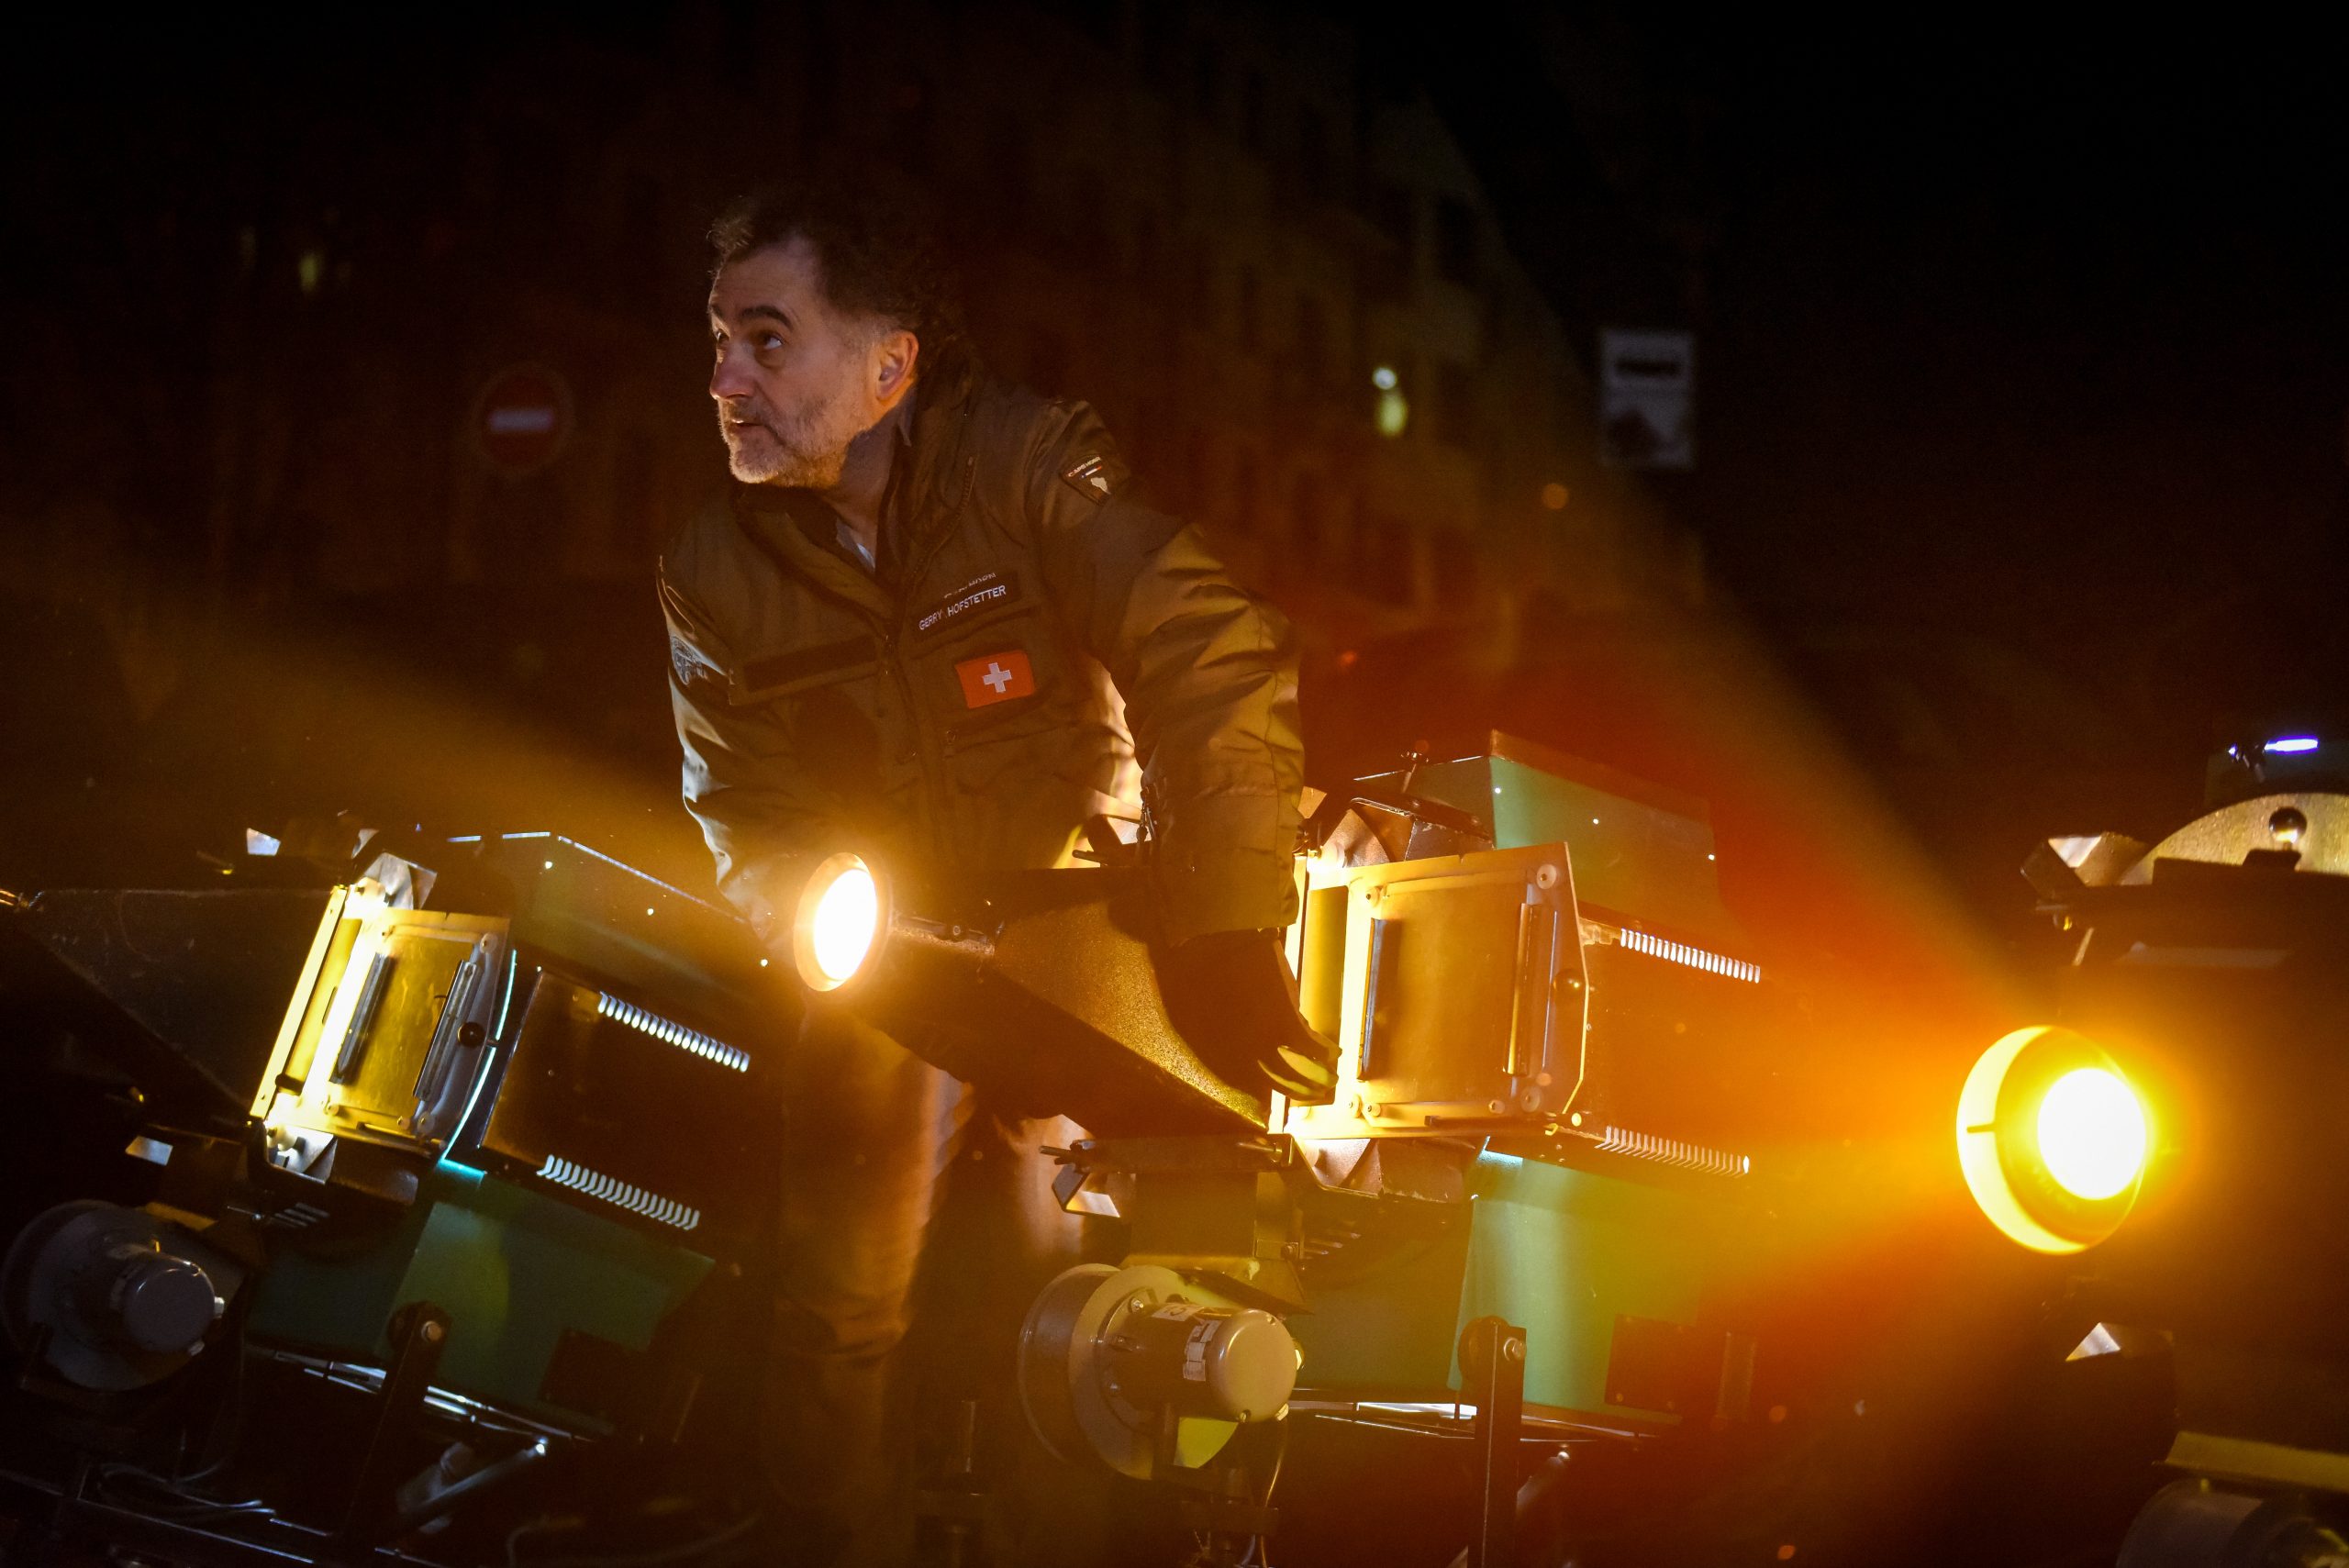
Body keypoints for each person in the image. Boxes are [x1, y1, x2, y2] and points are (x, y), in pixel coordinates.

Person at [657, 179, 1337, 1562]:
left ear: (889, 363)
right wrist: (815, 913)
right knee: (835, 1309)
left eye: (768, 340)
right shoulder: (710, 566)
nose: (725, 379)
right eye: (720, 339)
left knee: (1072, 1318)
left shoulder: (1025, 462)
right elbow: (737, 801)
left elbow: (1205, 649)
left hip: (1083, 944)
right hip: (889, 958)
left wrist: (1224, 919)